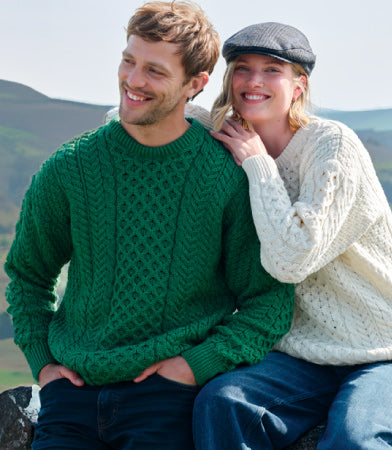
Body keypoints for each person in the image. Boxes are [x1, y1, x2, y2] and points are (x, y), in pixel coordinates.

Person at [4, 5, 294, 449]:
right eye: (128, 61)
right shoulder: (69, 168)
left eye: (155, 71)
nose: (133, 80)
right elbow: (27, 276)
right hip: (71, 397)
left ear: (195, 84)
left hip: (169, 398)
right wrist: (43, 364)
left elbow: (267, 302)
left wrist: (194, 365)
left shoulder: (224, 177)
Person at [186, 22, 392, 449]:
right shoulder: (228, 142)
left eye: (272, 70)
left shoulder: (331, 145)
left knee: (356, 437)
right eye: (242, 68)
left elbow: (292, 259)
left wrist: (259, 166)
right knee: (222, 402)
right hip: (300, 360)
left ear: (299, 85)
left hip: (390, 356)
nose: (253, 81)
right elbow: (129, 120)